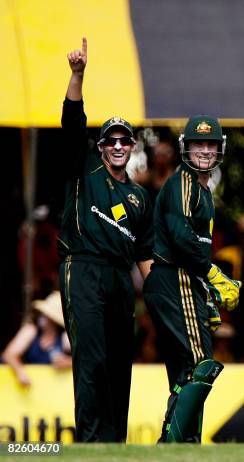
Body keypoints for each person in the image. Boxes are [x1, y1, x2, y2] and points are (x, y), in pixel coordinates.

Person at [59, 37, 154, 442]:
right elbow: (71, 122)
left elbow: (146, 255)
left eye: (123, 140)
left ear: (132, 147)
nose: (117, 145)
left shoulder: (139, 196)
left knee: (118, 360)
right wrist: (78, 75)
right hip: (82, 267)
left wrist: (163, 301)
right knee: (92, 358)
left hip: (119, 277)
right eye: (110, 140)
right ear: (101, 147)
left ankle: (114, 444)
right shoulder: (85, 171)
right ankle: (91, 442)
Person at [143, 115, 241, 442]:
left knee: (185, 370)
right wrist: (213, 275)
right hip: (176, 278)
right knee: (201, 363)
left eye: (210, 144)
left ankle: (186, 444)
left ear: (219, 150)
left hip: (181, 281)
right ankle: (172, 442)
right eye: (198, 144)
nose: (205, 150)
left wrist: (206, 289)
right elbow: (182, 238)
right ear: (186, 148)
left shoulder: (201, 189)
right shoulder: (184, 182)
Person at [2, 291, 71, 388]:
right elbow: (8, 355)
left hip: (50, 392)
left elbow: (84, 361)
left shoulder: (64, 338)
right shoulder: (31, 331)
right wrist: (20, 372)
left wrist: (68, 362)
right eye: (42, 313)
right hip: (25, 389)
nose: (41, 316)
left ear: (54, 320)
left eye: (46, 314)